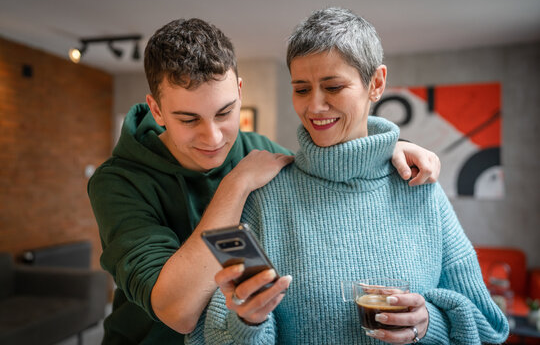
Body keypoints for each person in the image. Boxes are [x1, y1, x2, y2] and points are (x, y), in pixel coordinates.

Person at [88, 17, 441, 344]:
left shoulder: (258, 150)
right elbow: (177, 313)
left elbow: (326, 165)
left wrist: (393, 145)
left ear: (240, 91)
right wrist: (235, 185)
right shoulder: (117, 182)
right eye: (188, 119)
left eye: (225, 113)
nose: (213, 139)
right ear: (157, 109)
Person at [186, 8, 509, 344]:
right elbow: (212, 336)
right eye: (301, 89)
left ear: (377, 83)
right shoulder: (267, 198)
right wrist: (248, 323)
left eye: (334, 87)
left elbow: (490, 329)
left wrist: (429, 325)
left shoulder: (421, 189)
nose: (314, 106)